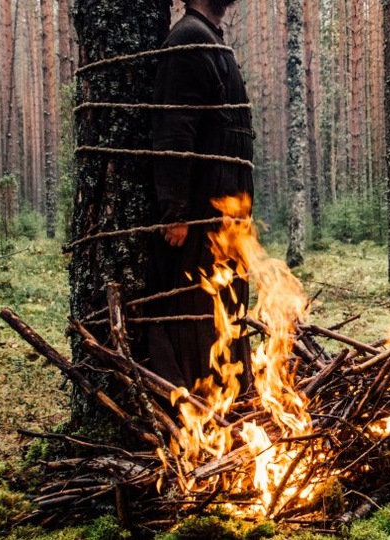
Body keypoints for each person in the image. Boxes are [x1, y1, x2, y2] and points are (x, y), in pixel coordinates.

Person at [147, 0, 253, 390]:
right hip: (199, 216)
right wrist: (174, 210)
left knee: (225, 306)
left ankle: (230, 396)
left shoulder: (211, 39)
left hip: (228, 216)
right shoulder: (189, 38)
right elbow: (174, 128)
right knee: (197, 308)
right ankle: (199, 406)